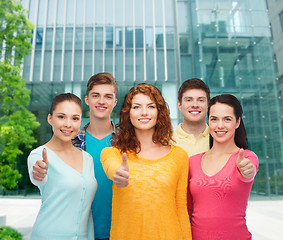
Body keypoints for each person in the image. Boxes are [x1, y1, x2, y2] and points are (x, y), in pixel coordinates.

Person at [101, 83, 192, 240]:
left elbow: (181, 209)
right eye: (136, 107)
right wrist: (118, 173)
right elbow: (112, 167)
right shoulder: (113, 153)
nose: (144, 112)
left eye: (150, 106)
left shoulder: (179, 156)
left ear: (159, 112)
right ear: (128, 114)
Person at [187, 94, 258, 240]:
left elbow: (248, 174)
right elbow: (187, 208)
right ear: (208, 121)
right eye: (214, 119)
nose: (220, 126)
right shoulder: (192, 162)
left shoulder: (246, 157)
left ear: (237, 122)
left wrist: (247, 172)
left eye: (227, 119)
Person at [27, 93, 97, 240]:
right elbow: (38, 176)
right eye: (61, 117)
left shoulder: (87, 158)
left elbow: (86, 210)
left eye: (75, 118)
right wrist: (39, 172)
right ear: (49, 119)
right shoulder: (38, 155)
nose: (68, 124)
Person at [72, 72, 117, 240]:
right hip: (80, 234)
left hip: (119, 233)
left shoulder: (128, 144)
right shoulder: (71, 143)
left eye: (108, 96)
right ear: (87, 100)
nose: (101, 101)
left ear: (114, 102)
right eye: (96, 95)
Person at [173, 78, 210, 156]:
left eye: (201, 100)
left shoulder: (219, 138)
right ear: (179, 105)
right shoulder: (166, 141)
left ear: (208, 105)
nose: (195, 105)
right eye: (189, 100)